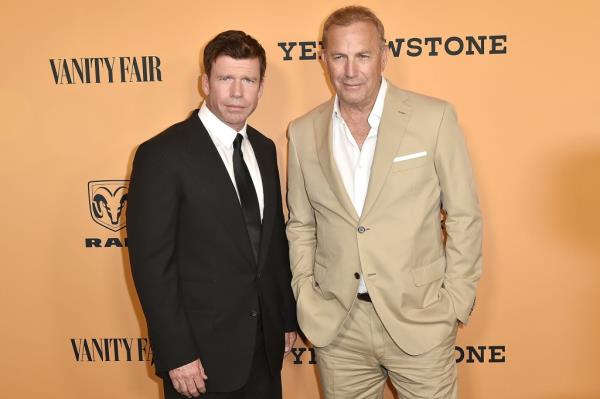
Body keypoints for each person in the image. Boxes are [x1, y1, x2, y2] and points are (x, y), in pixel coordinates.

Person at [286, 6, 482, 399]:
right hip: (339, 326)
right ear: (324, 59)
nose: (350, 70)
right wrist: (306, 293)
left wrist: (455, 302)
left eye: (363, 55)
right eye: (339, 56)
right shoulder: (303, 131)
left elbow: (463, 215)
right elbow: (302, 224)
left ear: (384, 56)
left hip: (419, 318)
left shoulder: (434, 118)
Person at [127, 30, 297, 399]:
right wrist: (177, 352)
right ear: (205, 82)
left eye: (248, 80)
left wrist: (283, 316)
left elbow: (272, 243)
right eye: (225, 79)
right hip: (199, 361)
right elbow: (152, 264)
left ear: (261, 86)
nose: (237, 92)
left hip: (263, 351)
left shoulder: (265, 149)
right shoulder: (162, 154)